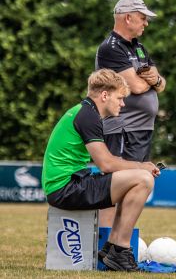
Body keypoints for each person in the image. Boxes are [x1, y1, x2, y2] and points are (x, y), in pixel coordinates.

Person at [42, 69, 160, 271]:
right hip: (65, 189)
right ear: (105, 95)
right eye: (120, 98)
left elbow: (108, 163)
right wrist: (143, 166)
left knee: (136, 178)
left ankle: (113, 248)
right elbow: (106, 163)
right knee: (144, 179)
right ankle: (119, 250)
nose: (123, 104)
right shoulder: (88, 116)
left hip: (66, 185)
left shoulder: (85, 111)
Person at [95, 0, 166, 228]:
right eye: (143, 18)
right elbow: (134, 87)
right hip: (123, 128)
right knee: (116, 184)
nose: (146, 23)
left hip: (141, 128)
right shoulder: (110, 48)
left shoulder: (139, 47)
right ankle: (107, 241)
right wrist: (151, 81)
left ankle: (120, 241)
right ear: (128, 18)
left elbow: (161, 83)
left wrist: (153, 79)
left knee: (136, 183)